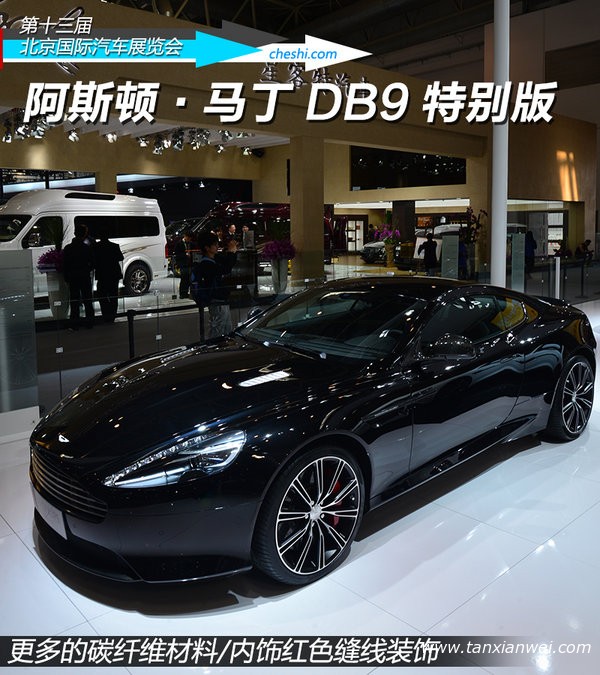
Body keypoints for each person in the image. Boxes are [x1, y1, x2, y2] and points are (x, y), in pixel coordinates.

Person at [191, 231, 237, 338]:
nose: (217, 246)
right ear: (207, 248)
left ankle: (222, 345)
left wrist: (231, 252)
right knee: (218, 330)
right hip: (216, 301)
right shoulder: (207, 264)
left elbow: (228, 263)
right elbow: (226, 269)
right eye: (215, 245)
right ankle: (213, 346)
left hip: (220, 300)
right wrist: (231, 252)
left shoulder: (213, 259)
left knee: (226, 329)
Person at [62, 223, 95, 330]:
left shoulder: (68, 248)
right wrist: (87, 269)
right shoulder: (86, 248)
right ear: (84, 234)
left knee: (74, 301)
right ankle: (89, 322)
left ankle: (74, 323)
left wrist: (66, 276)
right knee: (87, 300)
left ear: (75, 233)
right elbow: (93, 263)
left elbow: (65, 264)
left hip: (73, 277)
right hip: (84, 276)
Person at [94, 232, 124, 322]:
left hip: (102, 275)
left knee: (102, 296)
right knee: (113, 296)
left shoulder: (96, 247)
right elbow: (121, 257)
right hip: (113, 274)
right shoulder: (114, 246)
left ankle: (105, 314)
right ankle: (112, 315)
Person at [174, 229, 194, 299]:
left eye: (190, 238)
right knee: (184, 279)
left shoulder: (191, 244)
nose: (189, 239)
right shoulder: (179, 244)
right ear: (185, 236)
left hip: (190, 264)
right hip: (183, 264)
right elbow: (177, 255)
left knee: (189, 279)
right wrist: (185, 255)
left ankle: (187, 293)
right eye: (188, 237)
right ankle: (182, 294)